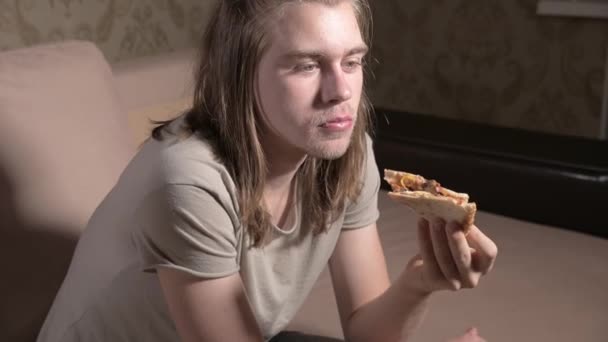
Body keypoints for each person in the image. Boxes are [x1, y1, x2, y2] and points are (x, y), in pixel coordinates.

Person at [37, 0, 498, 341]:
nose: (341, 92)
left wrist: (420, 281)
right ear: (240, 73)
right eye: (306, 65)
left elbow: (366, 331)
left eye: (352, 62)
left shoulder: (345, 152)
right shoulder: (188, 180)